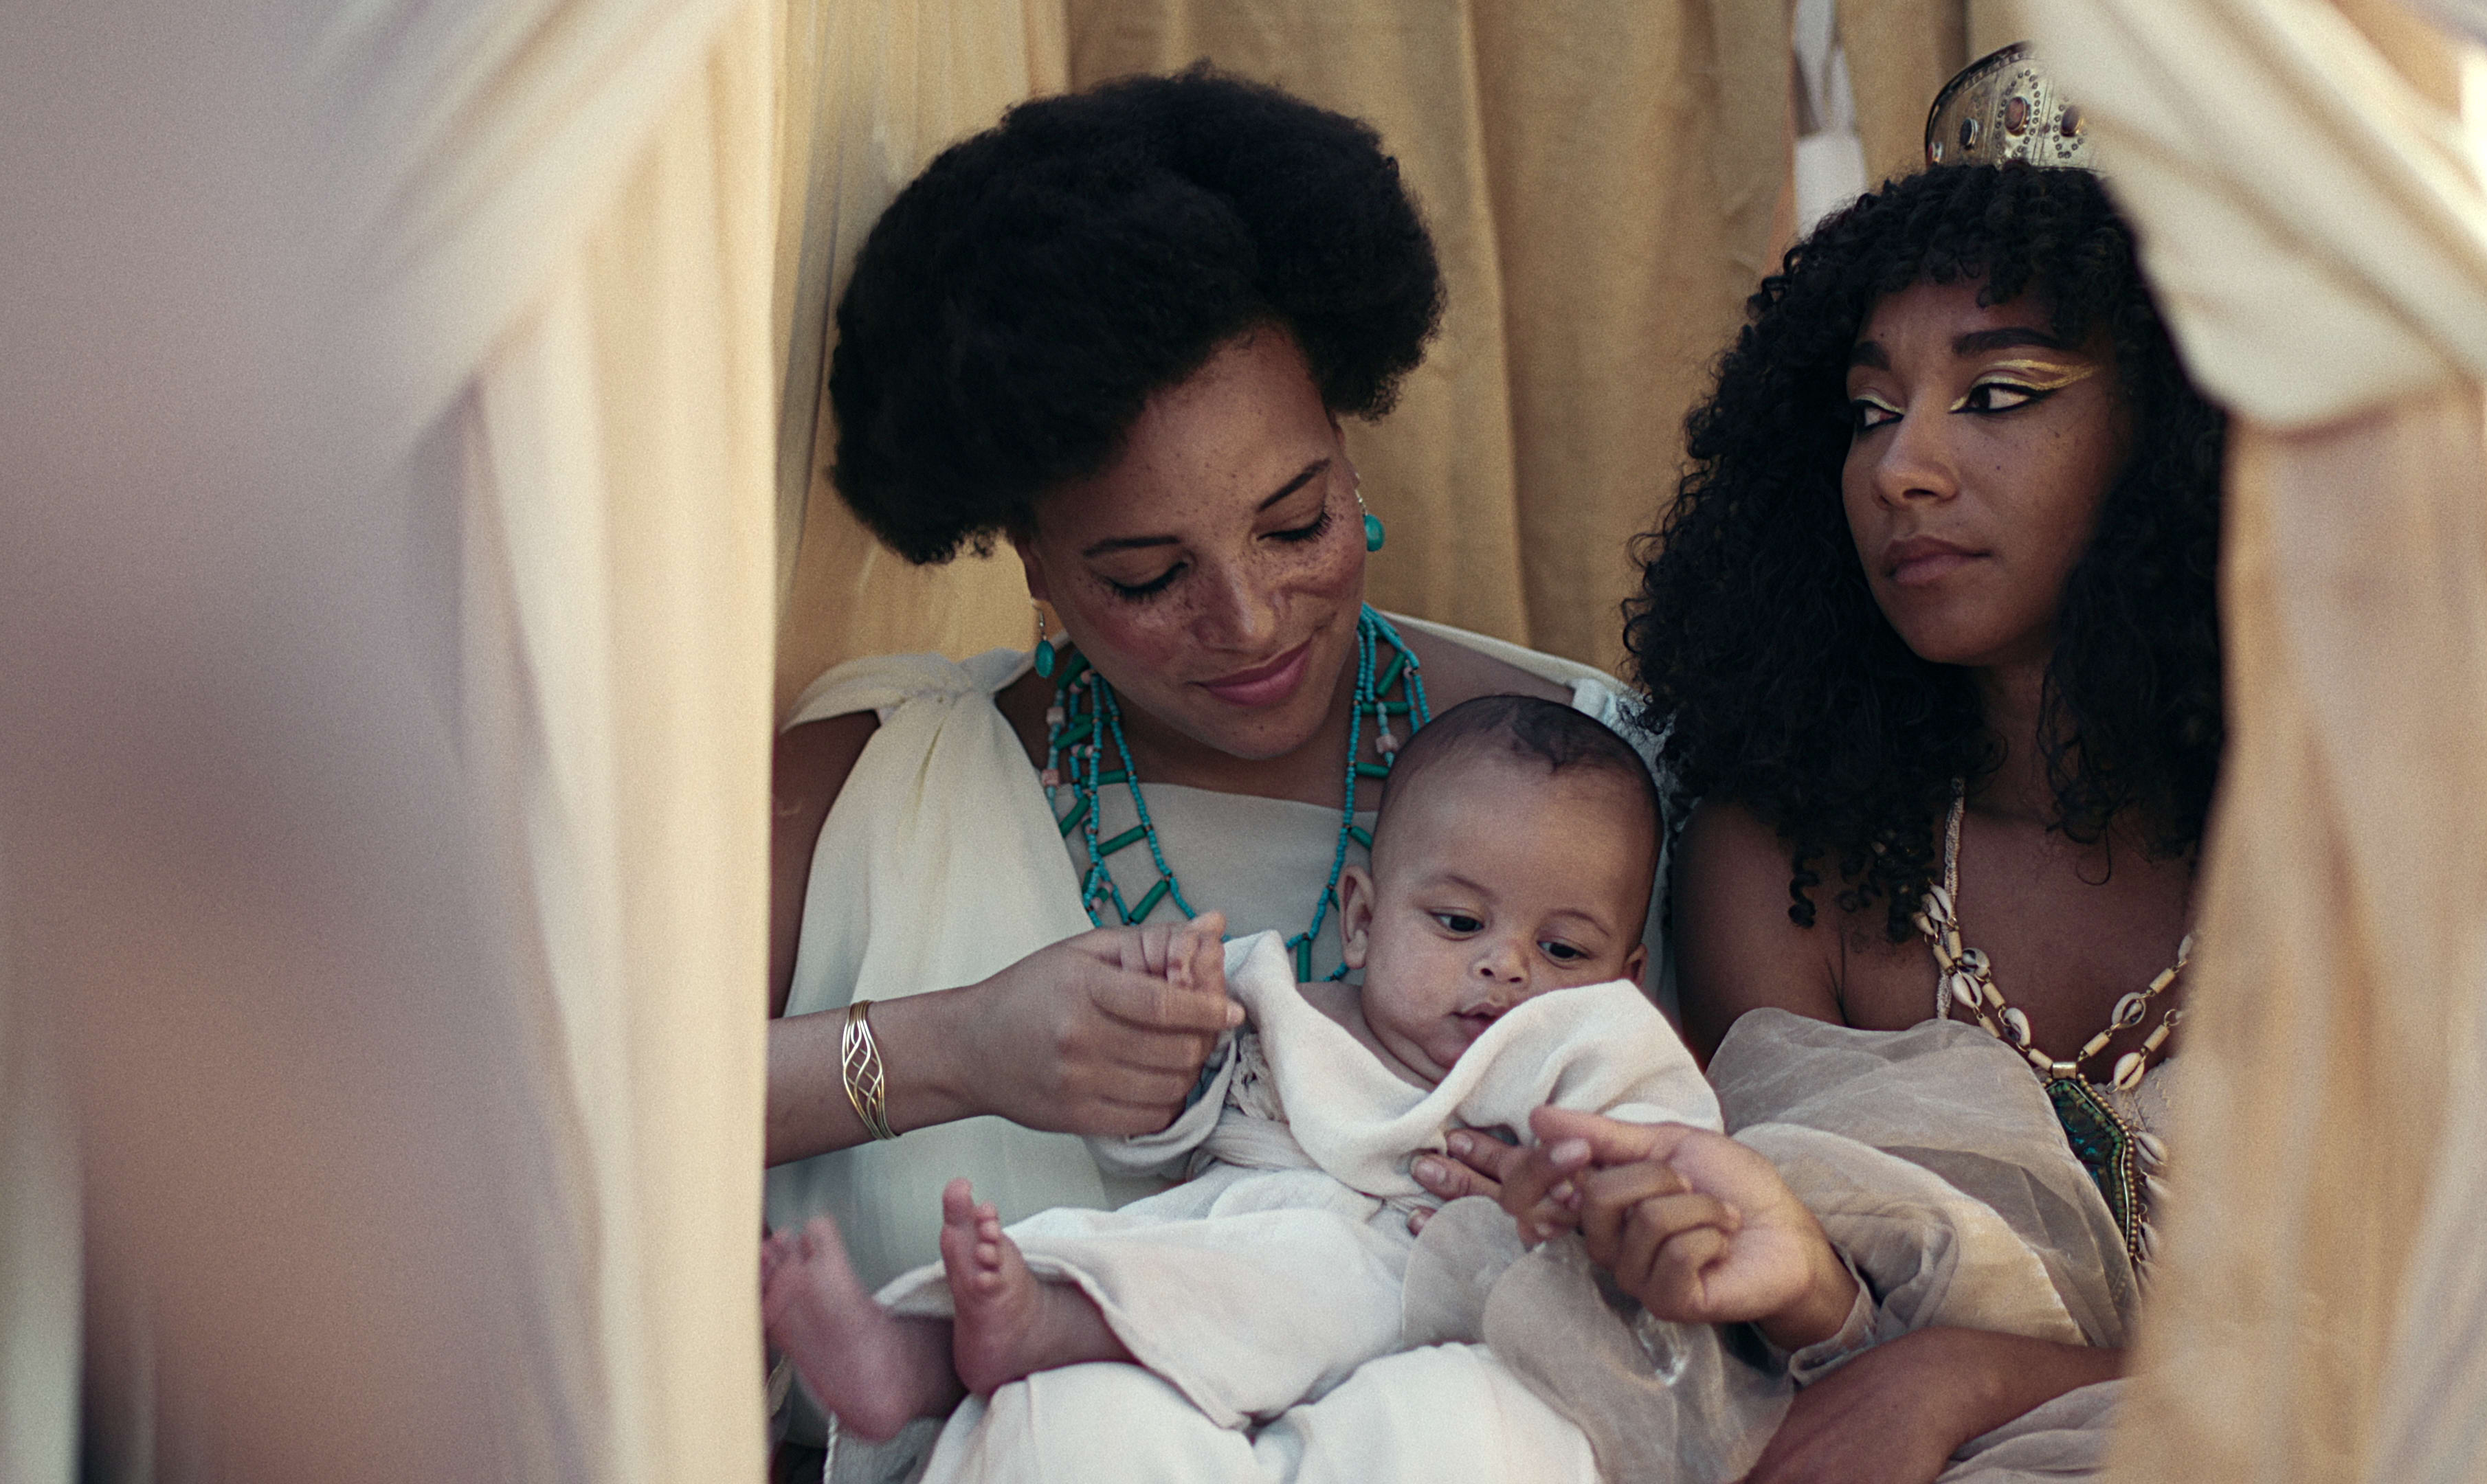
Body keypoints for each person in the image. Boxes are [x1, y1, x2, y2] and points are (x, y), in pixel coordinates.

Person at [761, 69, 1638, 1473]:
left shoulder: (1591, 776)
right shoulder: (874, 790)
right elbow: (560, 1126)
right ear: (1031, 562)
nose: (1244, 622)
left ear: (1353, 457)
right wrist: (949, 1049)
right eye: (1147, 574)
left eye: (1295, 525)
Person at [763, 699, 1860, 1482]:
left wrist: (1566, 1195)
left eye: (1564, 944)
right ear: (1363, 917)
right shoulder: (1280, 1002)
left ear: (1626, 975)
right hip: (1234, 1241)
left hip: (1447, 1280)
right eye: (1460, 922)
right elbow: (1169, 1139)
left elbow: (1665, 1165)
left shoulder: (1597, 1047)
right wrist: (1177, 1031)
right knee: (1125, 1254)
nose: (1507, 966)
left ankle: (999, 1336)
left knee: (1342, 1299)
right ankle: (933, 1346)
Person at [1618, 114, 2227, 1481]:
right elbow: (1780, 1344)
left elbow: (2444, 1323)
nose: (1903, 469)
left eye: (2000, 395)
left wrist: (1977, 1371)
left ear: (2185, 424)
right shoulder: (1789, 857)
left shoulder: (2358, 843)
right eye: (1870, 412)